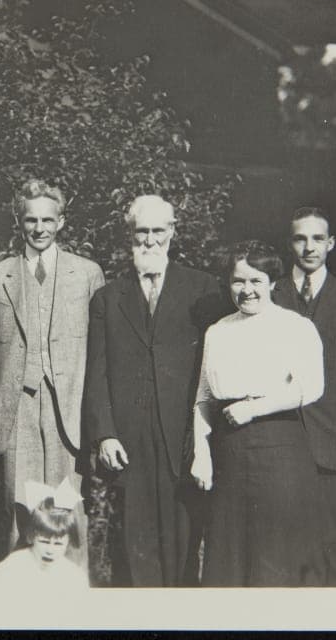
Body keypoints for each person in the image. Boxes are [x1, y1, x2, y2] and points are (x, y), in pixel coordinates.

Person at [82, 194, 222, 586]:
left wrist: (206, 434)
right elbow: (97, 373)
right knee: (132, 543)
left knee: (184, 539)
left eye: (158, 230)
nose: (149, 240)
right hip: (130, 439)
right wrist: (104, 434)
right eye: (141, 231)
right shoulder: (108, 298)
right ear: (129, 234)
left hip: (183, 435)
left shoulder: (204, 289)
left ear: (173, 232)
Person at [0, 180, 105, 568]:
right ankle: (24, 605)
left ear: (62, 222)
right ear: (19, 223)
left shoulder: (86, 273)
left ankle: (73, 608)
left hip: (69, 409)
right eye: (31, 220)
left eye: (48, 219)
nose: (39, 228)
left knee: (68, 509)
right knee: (24, 512)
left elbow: (101, 352)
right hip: (17, 411)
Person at [192, 240, 325, 587]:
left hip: (279, 449)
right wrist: (201, 454)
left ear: (272, 283)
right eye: (239, 281)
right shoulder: (217, 331)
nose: (247, 290)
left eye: (256, 281)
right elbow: (204, 398)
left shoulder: (294, 327)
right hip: (229, 452)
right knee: (227, 556)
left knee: (275, 558)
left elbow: (311, 387)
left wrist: (254, 409)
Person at [272, 206, 336, 586]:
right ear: (289, 244)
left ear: (331, 244)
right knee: (281, 544)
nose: (309, 247)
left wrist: (333, 417)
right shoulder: (270, 294)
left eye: (318, 239)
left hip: (333, 442)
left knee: (330, 547)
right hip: (279, 440)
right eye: (300, 238)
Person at [0, 480, 90, 593]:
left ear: (69, 541)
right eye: (44, 542)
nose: (50, 550)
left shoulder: (74, 576)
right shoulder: (11, 568)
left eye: (58, 543)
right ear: (31, 536)